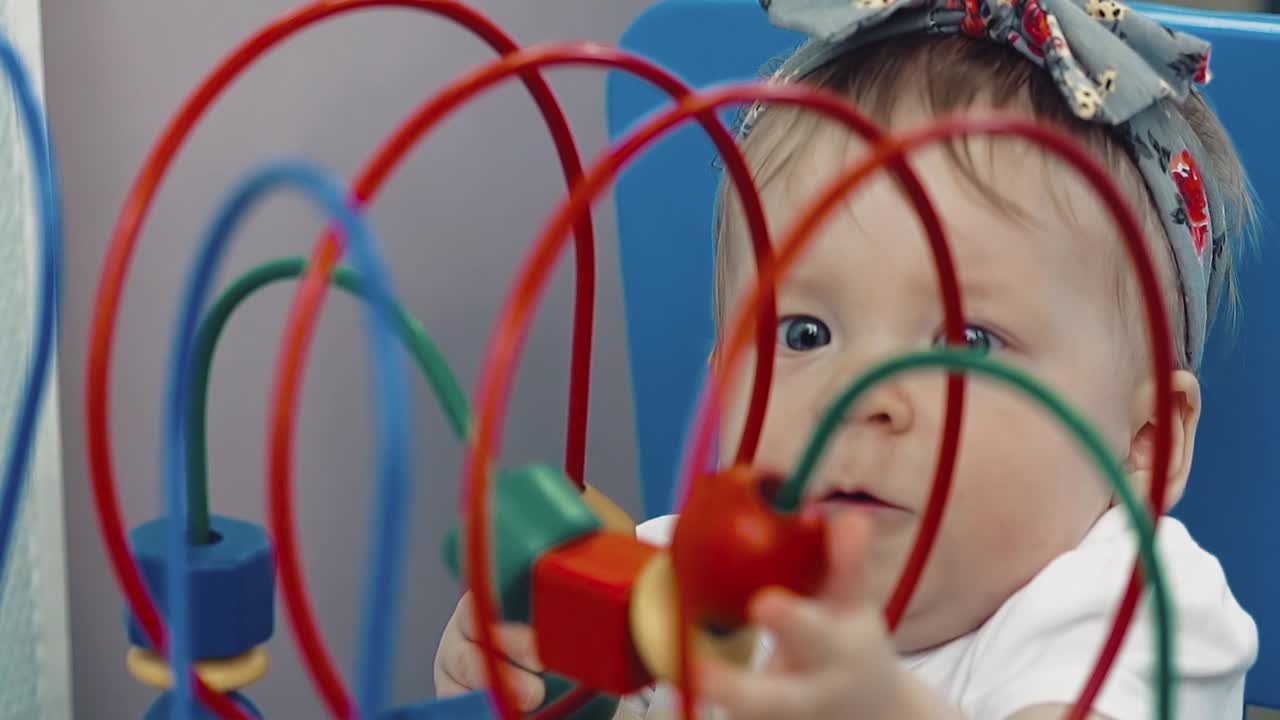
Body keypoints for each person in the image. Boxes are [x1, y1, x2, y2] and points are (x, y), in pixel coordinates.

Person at [434, 0, 1260, 716]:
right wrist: (542, 686)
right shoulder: (682, 587)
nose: (861, 395)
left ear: (1145, 445)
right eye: (805, 334)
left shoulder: (1134, 613)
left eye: (968, 342)